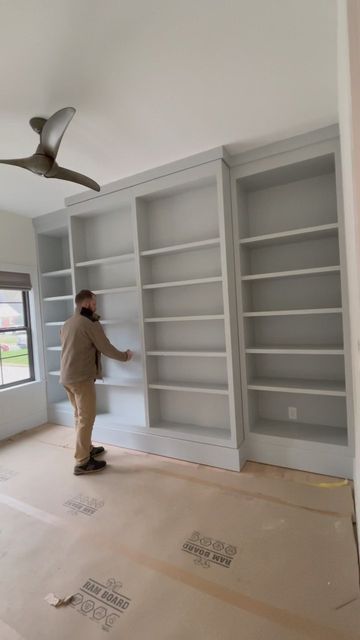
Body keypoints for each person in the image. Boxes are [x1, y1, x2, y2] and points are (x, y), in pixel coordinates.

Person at [60, 289, 133, 475]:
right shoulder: (89, 323)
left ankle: (86, 449)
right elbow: (105, 347)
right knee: (87, 418)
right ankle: (82, 462)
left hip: (67, 377)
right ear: (85, 304)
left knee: (79, 416)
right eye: (94, 303)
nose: (96, 306)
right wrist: (125, 356)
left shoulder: (68, 322)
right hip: (81, 378)